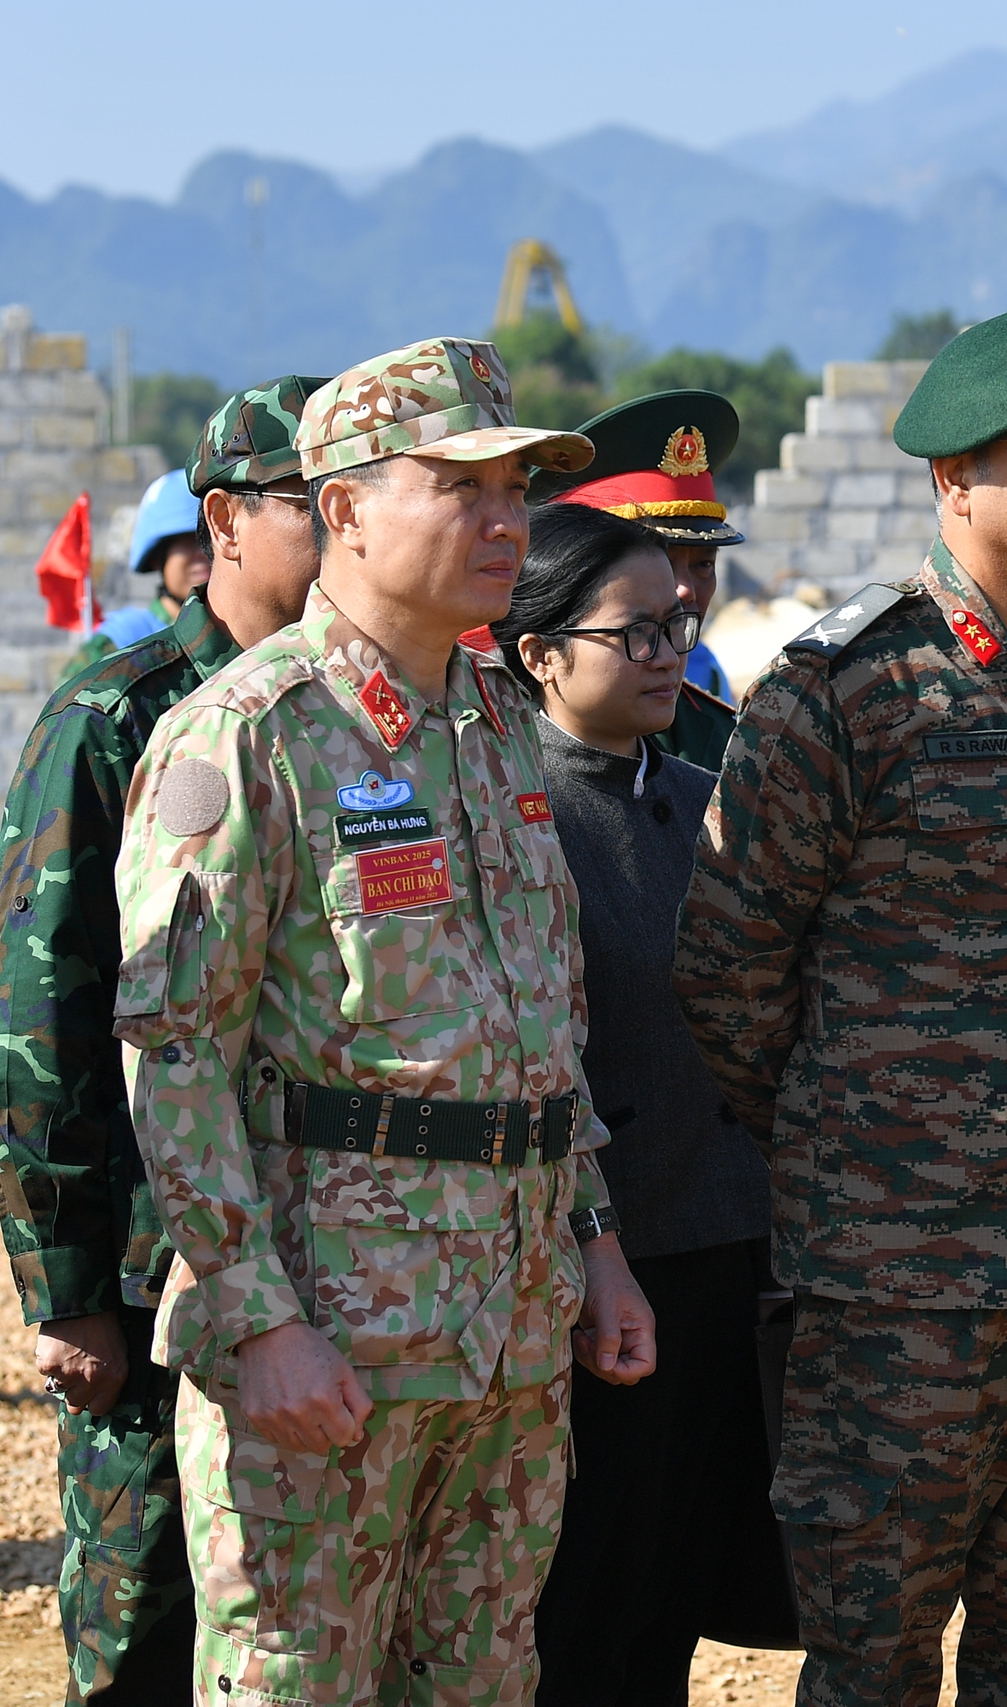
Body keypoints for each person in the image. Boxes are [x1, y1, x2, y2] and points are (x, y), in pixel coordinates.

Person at [111, 338, 658, 1705]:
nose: (502, 521)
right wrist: (255, 1317)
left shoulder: (491, 725)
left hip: (507, 1339)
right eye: (460, 485)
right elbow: (175, 1051)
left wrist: (594, 1241)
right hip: (330, 1346)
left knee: (481, 1681)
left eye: (516, 490)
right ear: (344, 506)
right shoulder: (247, 734)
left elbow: (543, 1027)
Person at [673, 295, 1007, 1704]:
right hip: (906, 1293)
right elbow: (730, 969)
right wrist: (871, 1154)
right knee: (874, 1663)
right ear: (957, 476)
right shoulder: (847, 690)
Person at [0, 375, 325, 1706]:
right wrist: (65, 1278)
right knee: (144, 1624)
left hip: (337, 1261)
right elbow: (44, 1006)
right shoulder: (117, 714)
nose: (344, 529)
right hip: (154, 1272)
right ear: (227, 521)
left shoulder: (382, 708)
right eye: (315, 504)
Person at [487, 503, 795, 1702]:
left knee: (682, 1594)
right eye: (635, 633)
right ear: (541, 654)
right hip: (602, 1262)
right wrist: (592, 1242)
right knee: (591, 1606)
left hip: (734, 1245)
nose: (669, 650)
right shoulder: (515, 815)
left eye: (677, 622)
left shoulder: (712, 786)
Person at [529, 389, 750, 770]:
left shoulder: (717, 733)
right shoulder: (496, 739)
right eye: (663, 559)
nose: (683, 589)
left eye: (704, 565)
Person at [59, 471, 210, 681]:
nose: (203, 552)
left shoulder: (244, 637)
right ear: (158, 557)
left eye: (211, 540)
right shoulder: (123, 641)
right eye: (188, 542)